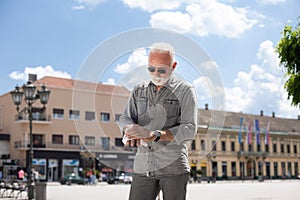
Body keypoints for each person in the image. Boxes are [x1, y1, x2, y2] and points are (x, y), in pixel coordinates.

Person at [118, 42, 197, 200]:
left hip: (173, 168)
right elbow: (125, 117)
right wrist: (129, 129)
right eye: (151, 68)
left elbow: (190, 128)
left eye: (162, 69)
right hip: (143, 167)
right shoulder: (138, 90)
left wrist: (155, 134)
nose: (156, 73)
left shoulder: (185, 90)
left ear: (173, 66)